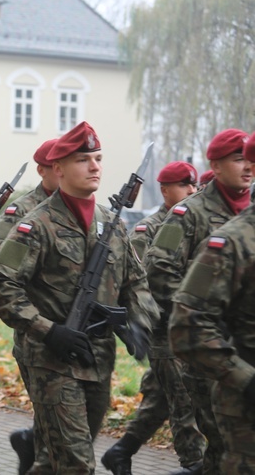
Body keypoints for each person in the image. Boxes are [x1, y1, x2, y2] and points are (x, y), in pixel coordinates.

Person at [0, 121, 158, 473]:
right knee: (78, 464)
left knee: (55, 462)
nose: (94, 166)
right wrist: (49, 330)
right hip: (52, 362)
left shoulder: (111, 224)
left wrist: (138, 322)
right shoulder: (36, 225)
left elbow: (136, 282)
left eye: (97, 158)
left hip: (98, 359)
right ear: (58, 169)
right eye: (83, 159)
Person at [145, 128, 252, 474]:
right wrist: (201, 312)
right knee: (223, 445)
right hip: (207, 352)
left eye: (249, 159)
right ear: (216, 166)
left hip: (244, 346)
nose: (247, 167)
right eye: (238, 160)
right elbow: (159, 268)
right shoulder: (187, 214)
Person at [102, 161, 205, 475]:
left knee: (160, 400)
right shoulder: (150, 228)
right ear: (165, 190)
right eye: (184, 186)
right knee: (185, 406)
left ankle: (121, 452)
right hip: (165, 329)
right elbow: (136, 279)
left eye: (194, 185)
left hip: (188, 329)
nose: (192, 191)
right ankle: (195, 465)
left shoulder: (195, 222)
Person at [0, 138, 58, 474]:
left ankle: (31, 441)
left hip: (76, 328)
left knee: (61, 416)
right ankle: (36, 449)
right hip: (34, 321)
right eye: (56, 166)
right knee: (54, 419)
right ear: (44, 171)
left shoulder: (87, 210)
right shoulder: (24, 209)